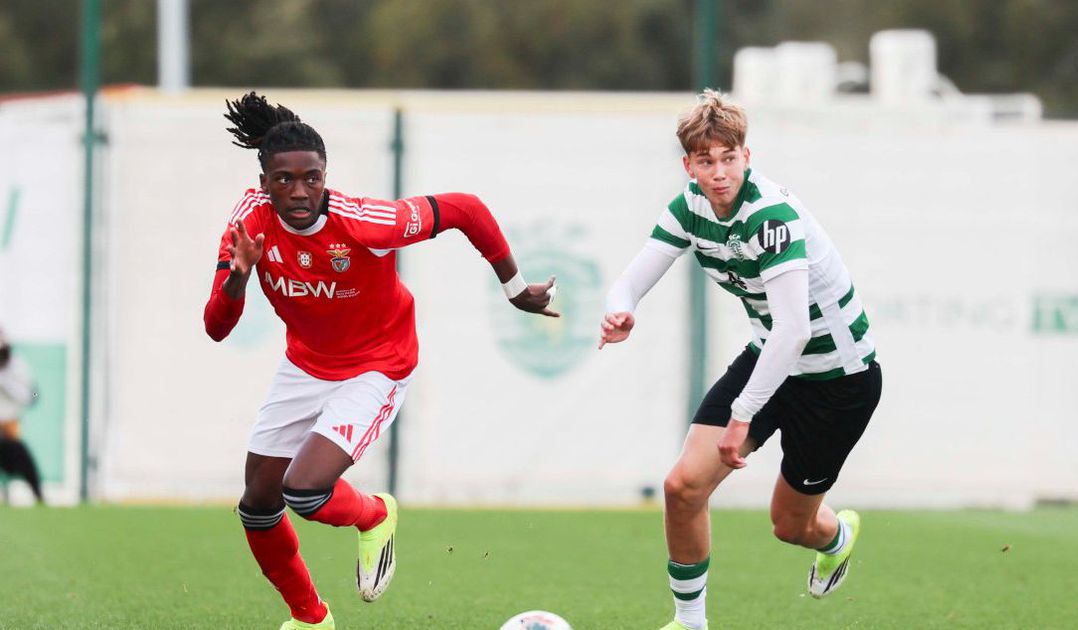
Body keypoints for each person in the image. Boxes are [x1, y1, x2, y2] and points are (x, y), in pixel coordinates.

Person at [205, 92, 558, 630]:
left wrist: (513, 288)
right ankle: (311, 619)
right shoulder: (249, 227)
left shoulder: (366, 223)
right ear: (263, 182)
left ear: (326, 176)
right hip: (305, 365)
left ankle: (375, 514)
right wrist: (239, 275)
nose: (299, 192)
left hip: (378, 366)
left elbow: (465, 208)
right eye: (284, 180)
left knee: (304, 490)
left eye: (312, 178)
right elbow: (216, 327)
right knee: (257, 504)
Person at [598, 90, 881, 630]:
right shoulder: (689, 205)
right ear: (690, 165)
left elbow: (796, 330)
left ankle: (837, 537)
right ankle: (689, 622)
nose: (719, 172)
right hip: (770, 356)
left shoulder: (770, 215)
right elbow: (630, 280)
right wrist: (620, 311)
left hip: (837, 379)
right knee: (683, 488)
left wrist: (743, 415)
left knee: (790, 527)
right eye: (706, 161)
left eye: (729, 158)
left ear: (746, 157)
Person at [0, 327, 43, 504]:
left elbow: (34, 395)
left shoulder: (17, 365)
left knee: (23, 457)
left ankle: (39, 495)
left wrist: (7, 384)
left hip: (9, 427)